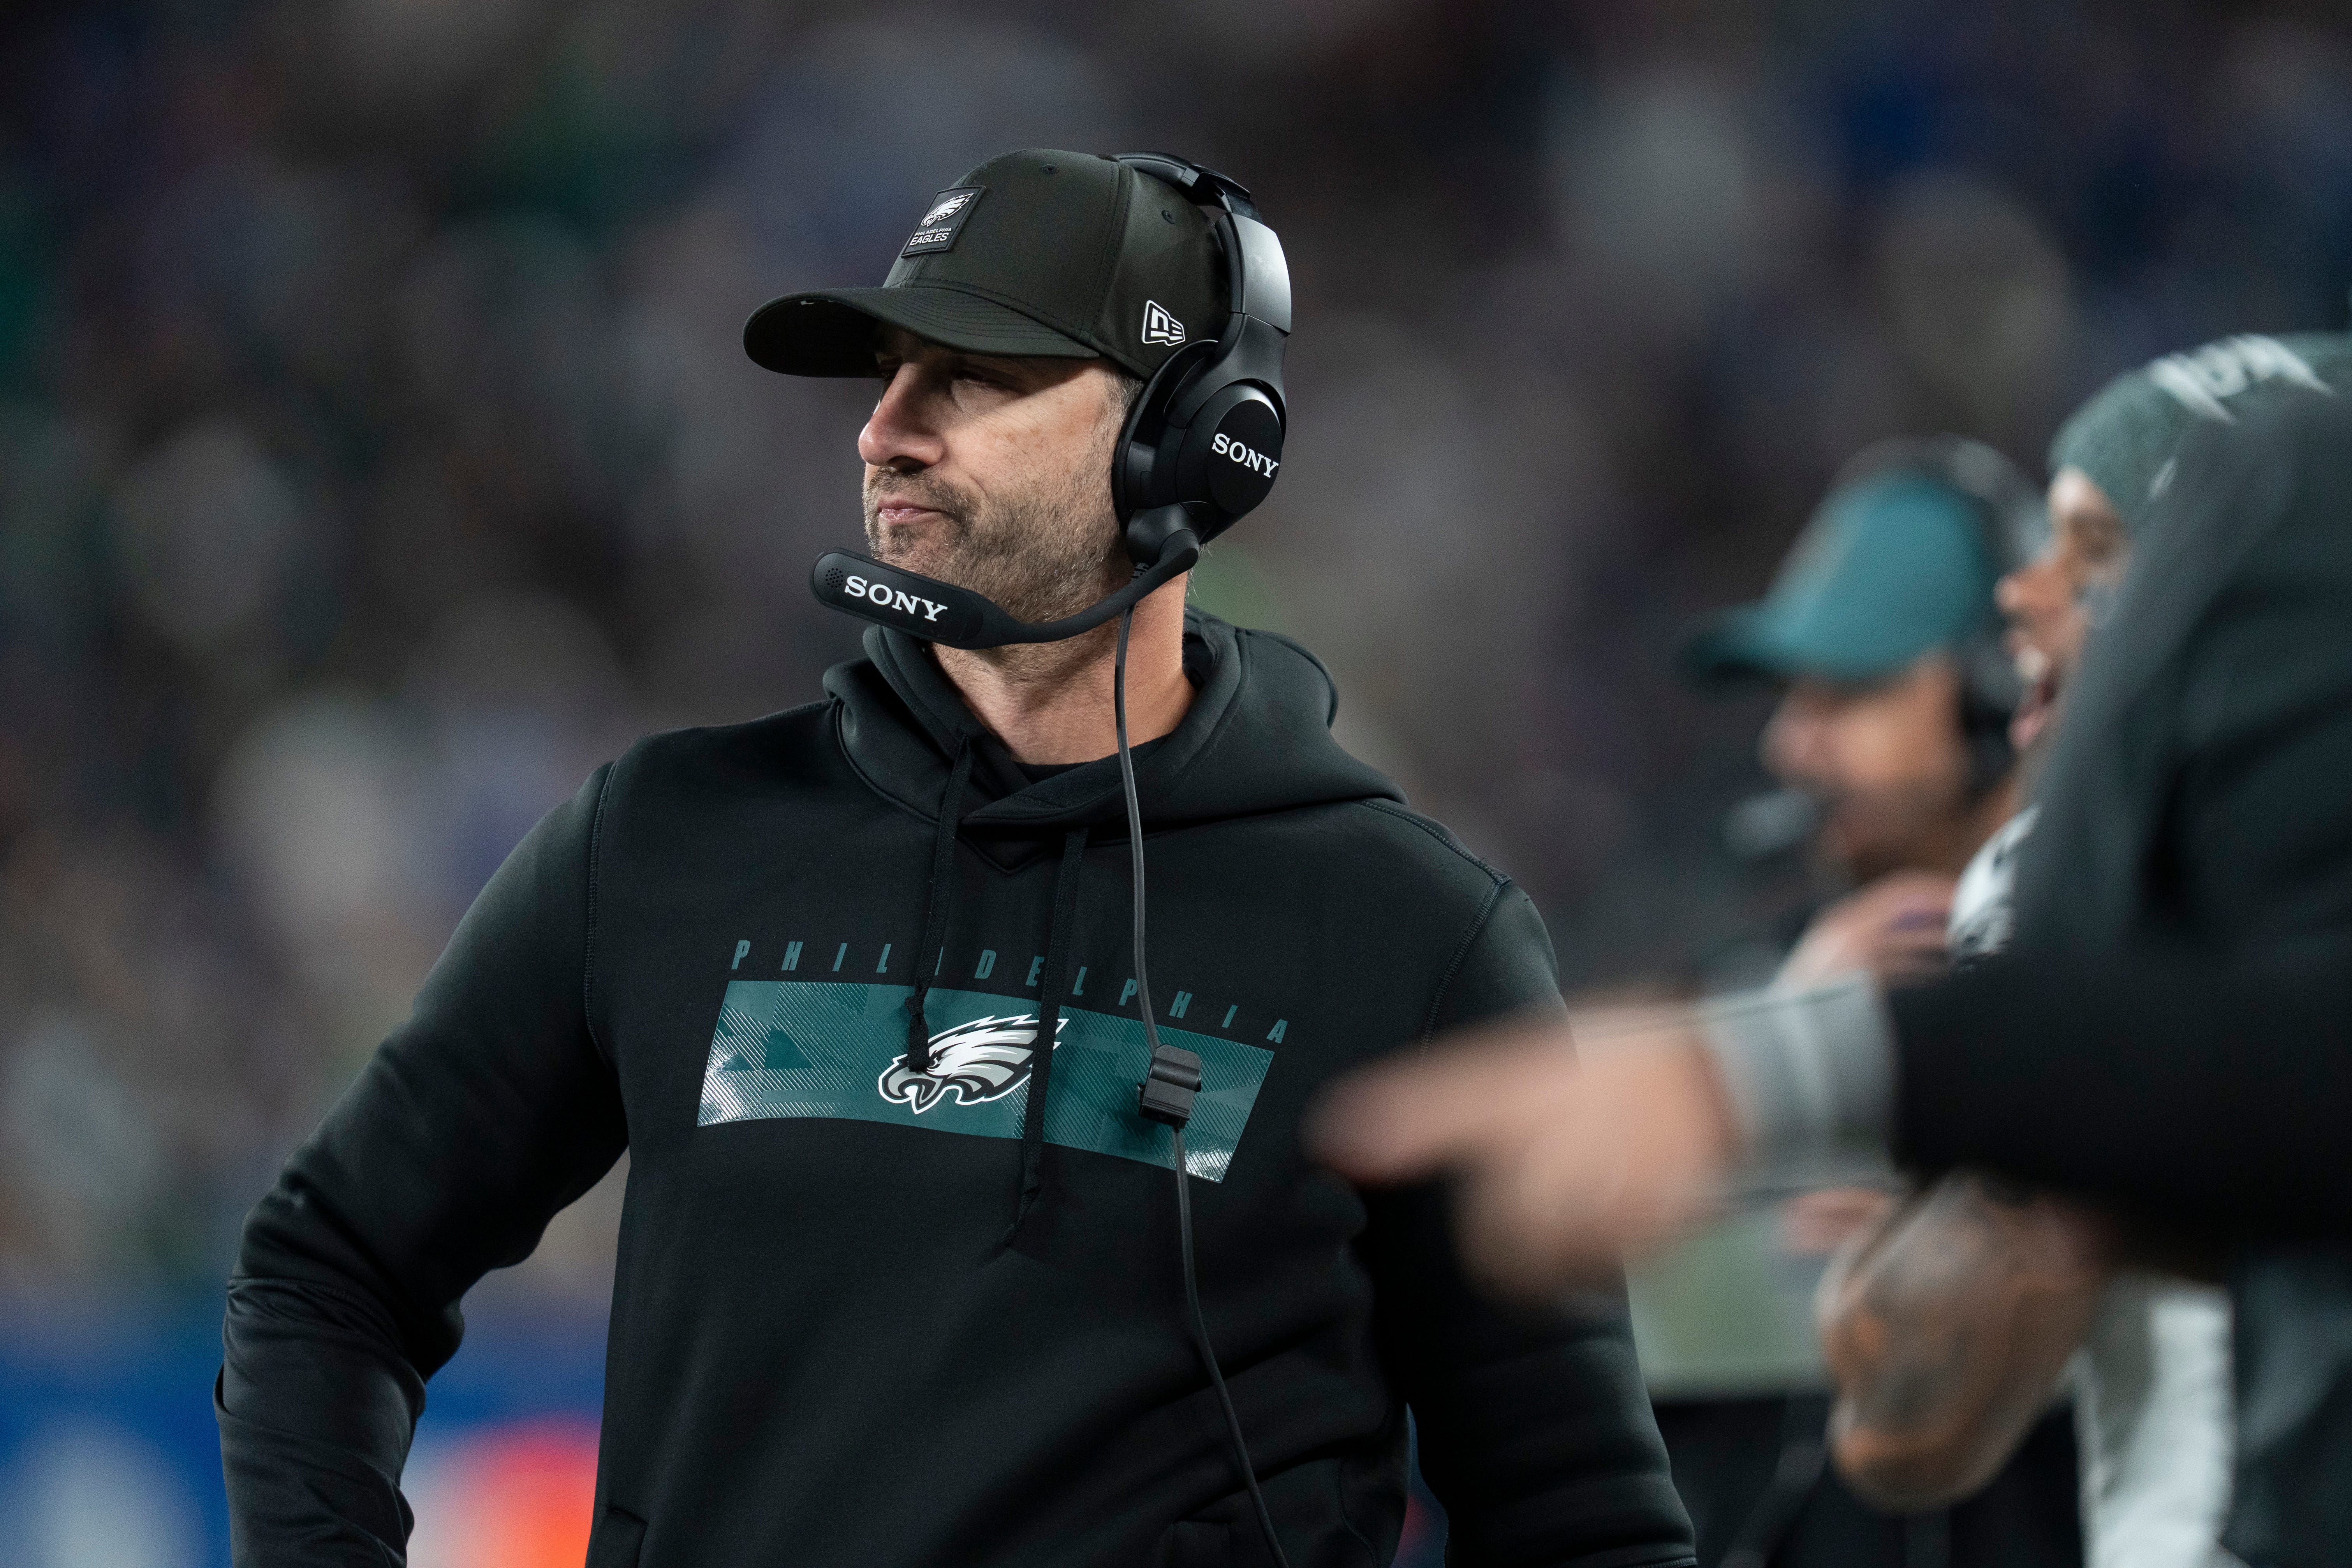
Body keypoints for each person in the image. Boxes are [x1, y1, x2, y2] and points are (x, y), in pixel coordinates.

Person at [215, 149, 1697, 1568]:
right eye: (888, 374)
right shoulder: (663, 844)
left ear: (1186, 435)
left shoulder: (1411, 941)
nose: (885, 431)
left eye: (973, 375)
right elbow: (326, 1270)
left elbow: (1583, 1524)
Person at [1316, 346, 2352, 1568]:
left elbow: (1916, 1411)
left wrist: (1875, 1087)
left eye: (1848, 690)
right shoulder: (1806, 965)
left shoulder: (2129, 940)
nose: (1793, 744)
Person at [1817, 331, 2352, 1568]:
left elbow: (1909, 1418)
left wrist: (1918, 1086)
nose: (2023, 590)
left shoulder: (2068, 873)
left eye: (2096, 549)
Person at [1653, 439, 2077, 1568]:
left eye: (1848, 690)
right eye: (1792, 696)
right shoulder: (1756, 984)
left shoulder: (2131, 1002)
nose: (1789, 743)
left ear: (1996, 689)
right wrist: (1780, 1078)